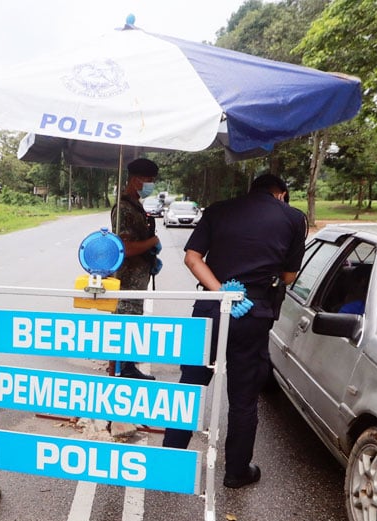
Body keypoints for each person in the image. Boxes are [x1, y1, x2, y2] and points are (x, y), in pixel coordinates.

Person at [161, 173, 306, 489]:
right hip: (253, 313)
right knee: (243, 395)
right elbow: (289, 275)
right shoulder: (294, 218)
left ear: (251, 189)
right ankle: (236, 471)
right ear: (281, 193)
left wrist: (221, 292)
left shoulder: (218, 209)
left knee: (190, 385)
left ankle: (169, 461)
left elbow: (192, 257)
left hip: (211, 306)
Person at [110, 157, 162, 380]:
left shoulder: (135, 204)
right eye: (148, 180)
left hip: (138, 277)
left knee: (133, 321)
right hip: (127, 279)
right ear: (135, 180)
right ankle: (123, 370)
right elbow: (125, 248)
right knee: (125, 321)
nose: (150, 184)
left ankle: (127, 366)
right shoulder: (123, 208)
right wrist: (152, 242)